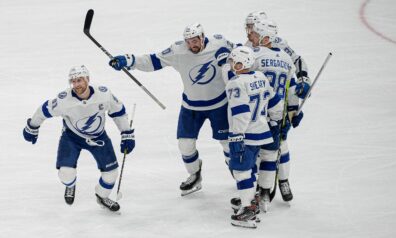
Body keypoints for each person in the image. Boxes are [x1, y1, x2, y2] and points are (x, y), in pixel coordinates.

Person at [108, 23, 234, 196]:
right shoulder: (178, 50)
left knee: (228, 143)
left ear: (203, 36)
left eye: (195, 40)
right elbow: (153, 61)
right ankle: (194, 174)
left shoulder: (220, 43)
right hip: (191, 107)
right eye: (188, 41)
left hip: (219, 105)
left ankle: (239, 173)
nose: (192, 45)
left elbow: (242, 54)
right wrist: (129, 60)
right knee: (185, 144)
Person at [22, 65, 135, 212]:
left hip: (98, 138)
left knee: (111, 175)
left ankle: (101, 197)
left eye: (79, 80)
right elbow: (43, 110)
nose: (76, 85)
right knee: (65, 174)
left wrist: (126, 133)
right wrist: (32, 126)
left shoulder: (104, 94)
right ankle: (70, 185)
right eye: (73, 81)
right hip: (71, 138)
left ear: (88, 79)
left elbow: (118, 111)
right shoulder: (64, 100)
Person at [225, 46, 283, 228]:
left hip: (246, 134)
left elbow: (240, 112)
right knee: (250, 168)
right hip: (262, 131)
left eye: (234, 61)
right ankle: (251, 198)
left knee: (242, 170)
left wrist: (236, 135)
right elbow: (274, 102)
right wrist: (276, 121)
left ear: (242, 63)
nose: (232, 64)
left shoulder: (236, 82)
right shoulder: (261, 77)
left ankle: (247, 208)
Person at [245, 11, 311, 99]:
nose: (249, 32)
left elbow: (296, 60)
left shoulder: (279, 43)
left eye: (251, 27)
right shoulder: (248, 44)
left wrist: (303, 80)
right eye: (248, 27)